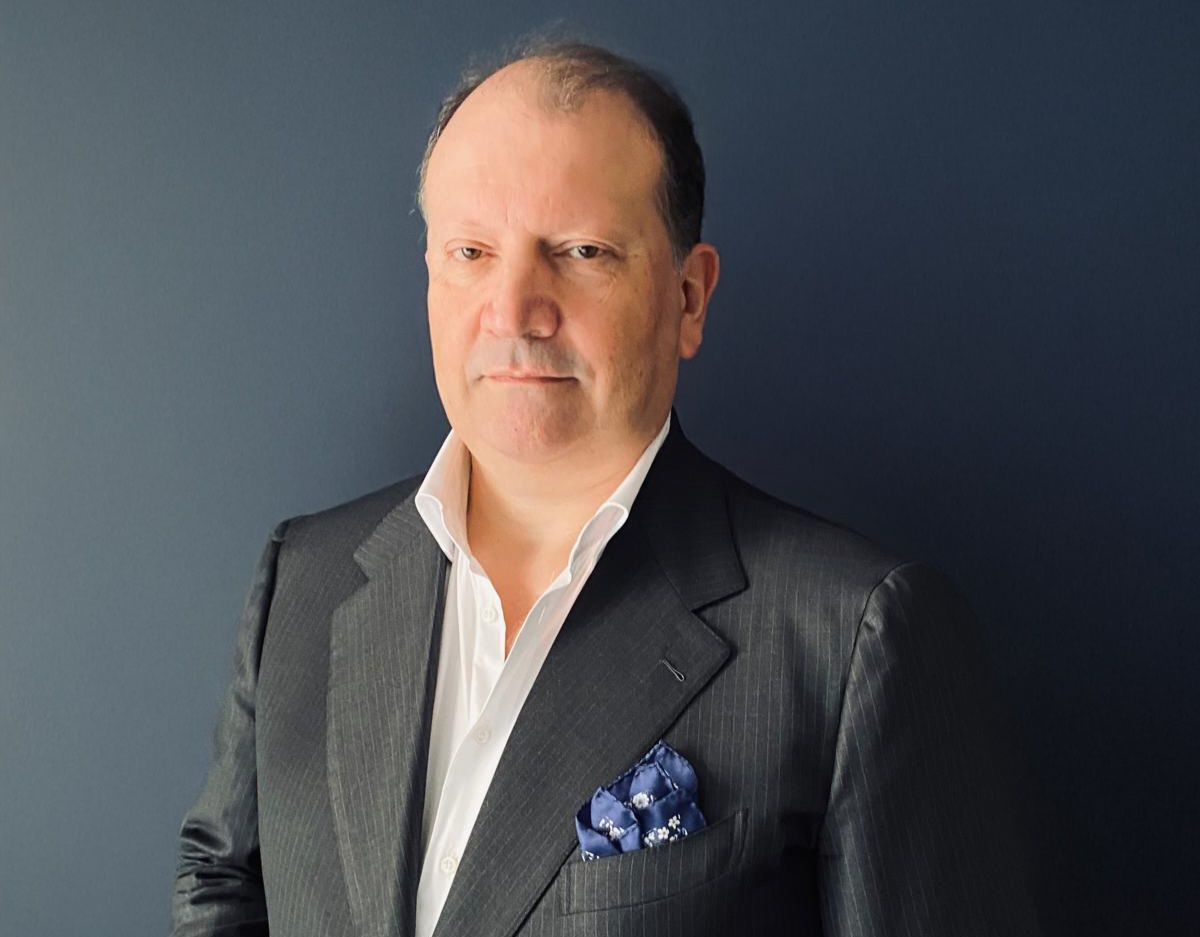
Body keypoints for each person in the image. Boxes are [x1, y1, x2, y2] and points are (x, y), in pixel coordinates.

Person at [172, 42, 1040, 937]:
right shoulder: (304, 575)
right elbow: (224, 884)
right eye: (472, 250)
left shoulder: (853, 637)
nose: (514, 309)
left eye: (581, 250)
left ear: (689, 297)